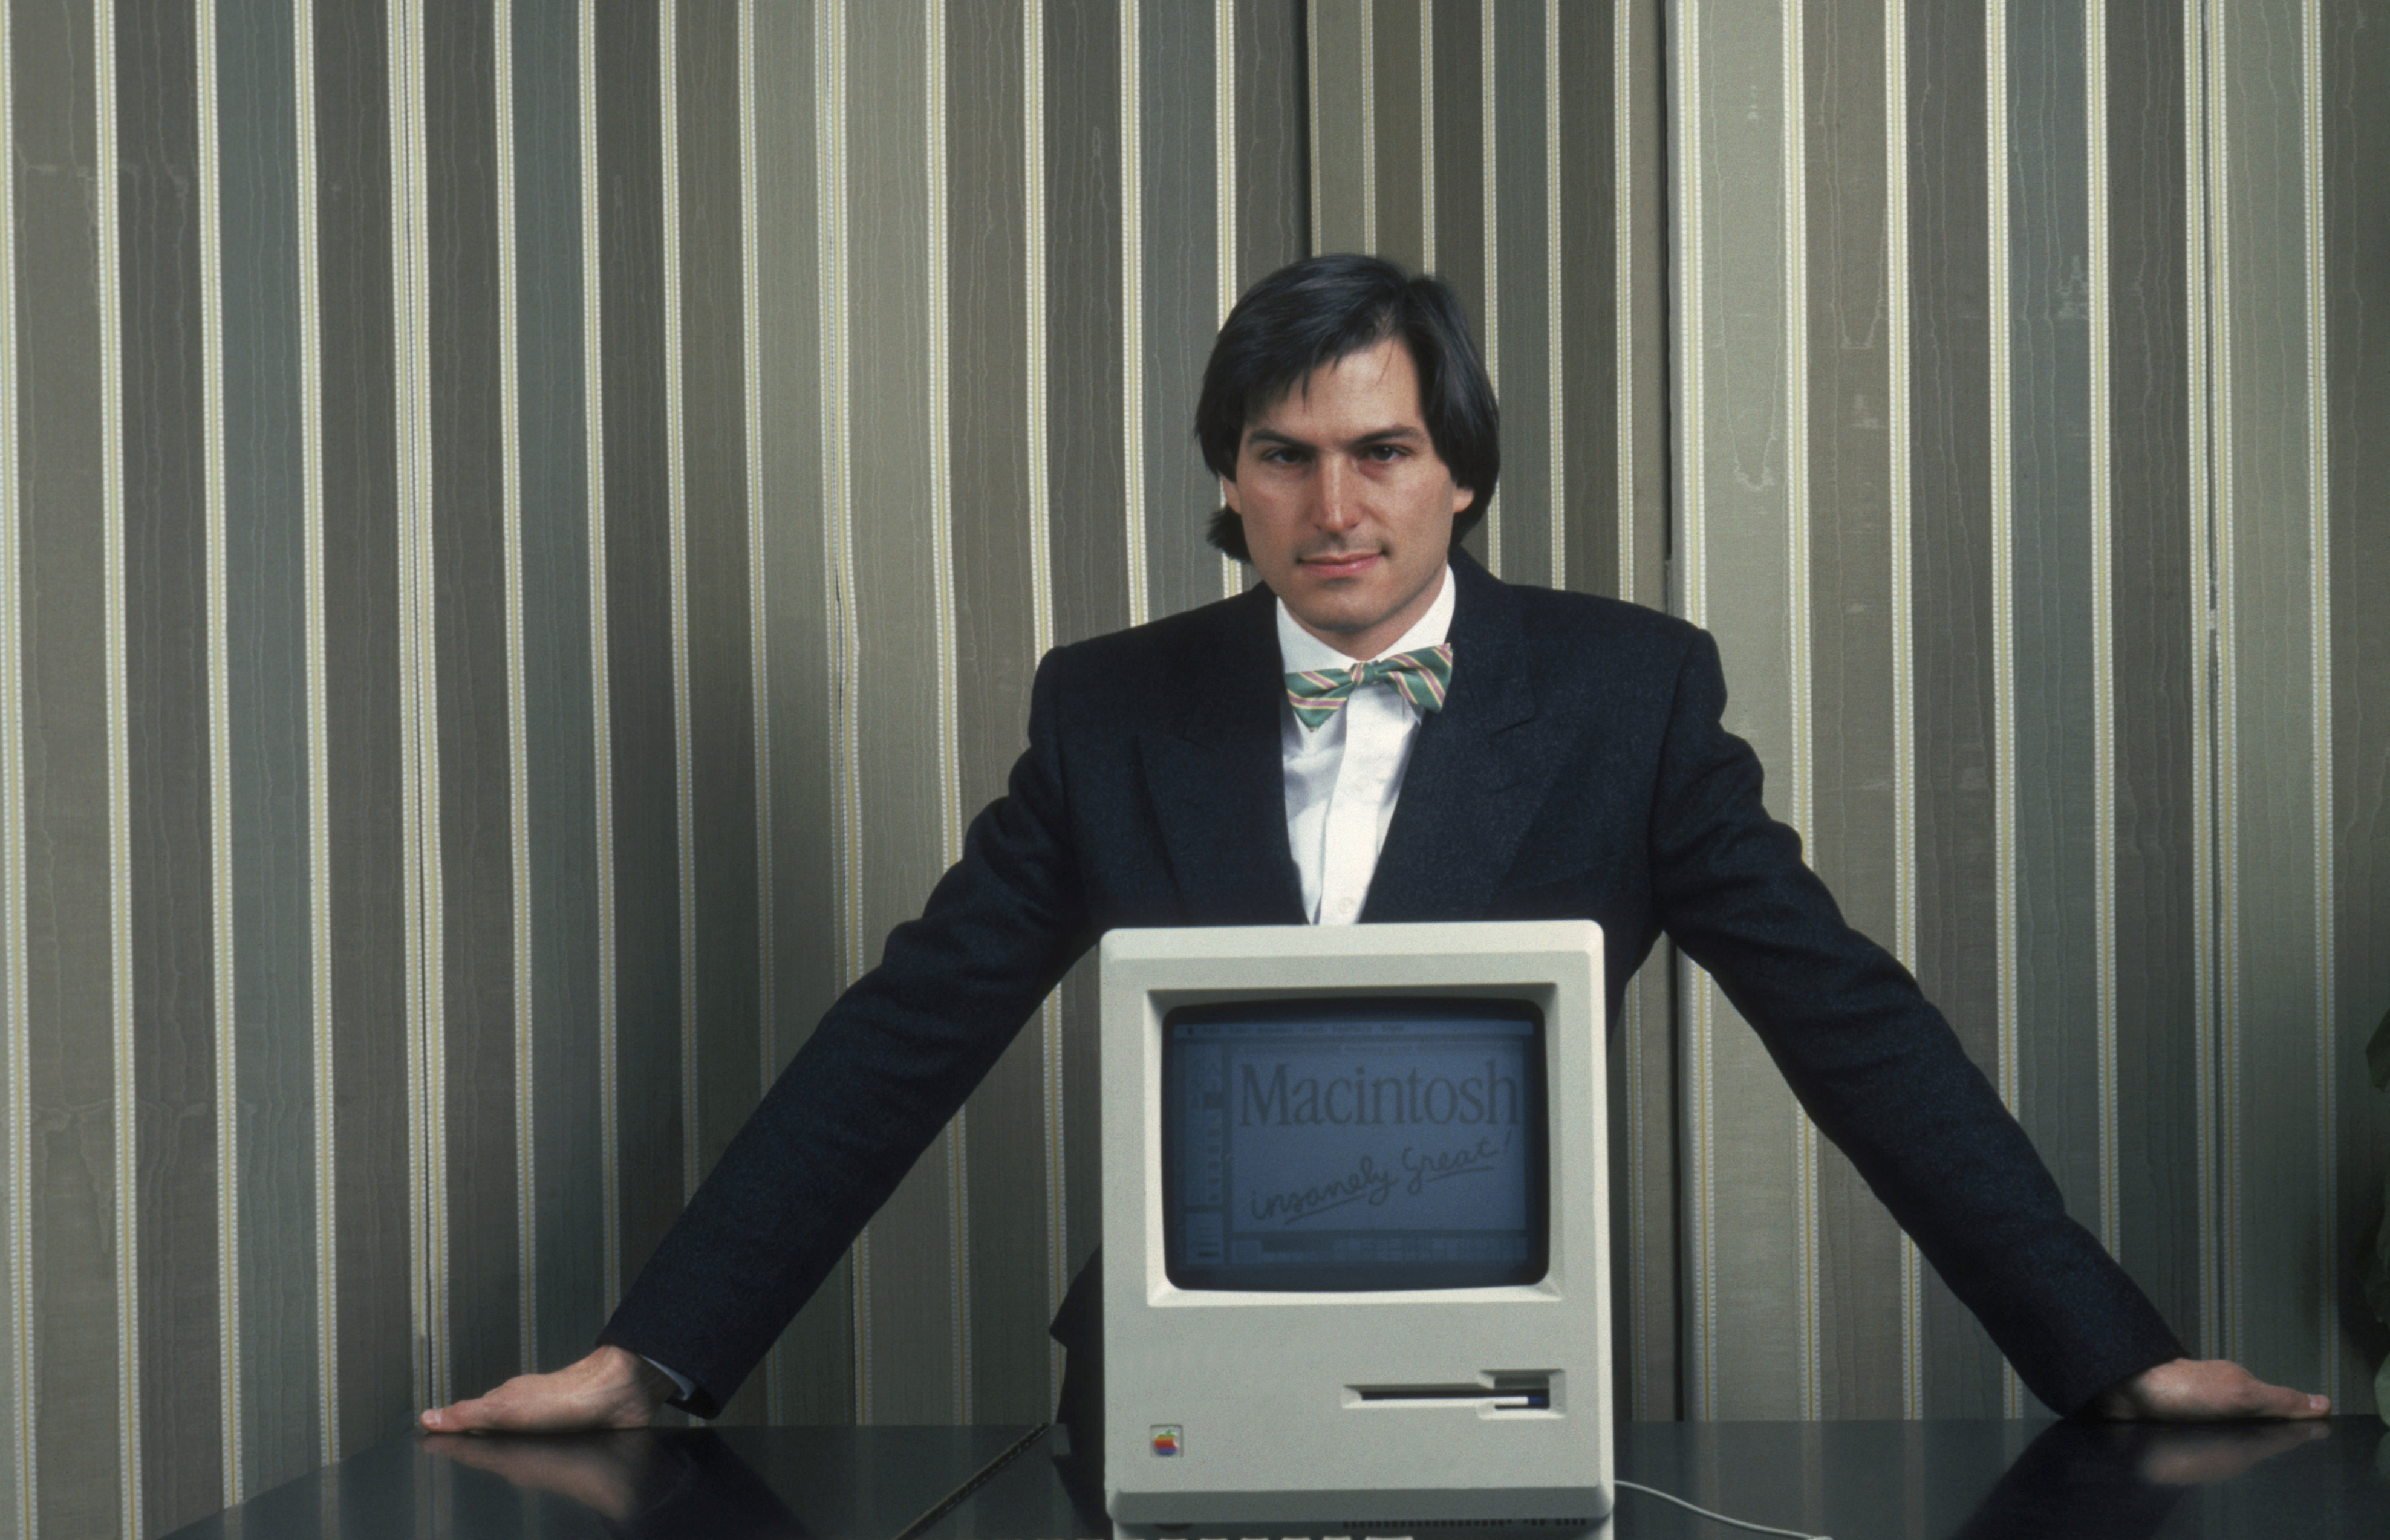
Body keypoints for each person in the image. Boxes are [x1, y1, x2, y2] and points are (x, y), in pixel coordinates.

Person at [423, 255, 2327, 1438]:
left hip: (1494, 1381)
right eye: (1281, 456)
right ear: (1230, 484)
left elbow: (1854, 1024)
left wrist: (2111, 1355)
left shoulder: (1628, 695)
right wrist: (649, 1358)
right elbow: (905, 1034)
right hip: (1160, 1398)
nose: (1334, 508)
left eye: (1382, 451)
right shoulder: (1111, 706)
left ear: (1463, 468)